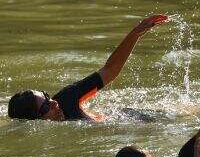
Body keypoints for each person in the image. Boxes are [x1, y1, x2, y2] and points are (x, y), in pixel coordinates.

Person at [8, 15, 168, 121]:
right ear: (35, 119)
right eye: (45, 106)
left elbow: (110, 70)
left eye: (47, 96)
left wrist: (135, 34)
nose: (54, 103)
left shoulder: (67, 98)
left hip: (136, 118)